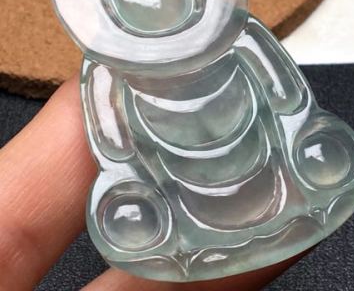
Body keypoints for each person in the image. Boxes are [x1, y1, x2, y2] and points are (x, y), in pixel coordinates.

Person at [0, 75, 303, 290]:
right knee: (132, 211)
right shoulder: (107, 68)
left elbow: (287, 95)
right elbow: (113, 142)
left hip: (258, 160)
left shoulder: (234, 33)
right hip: (175, 179)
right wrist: (120, 160)